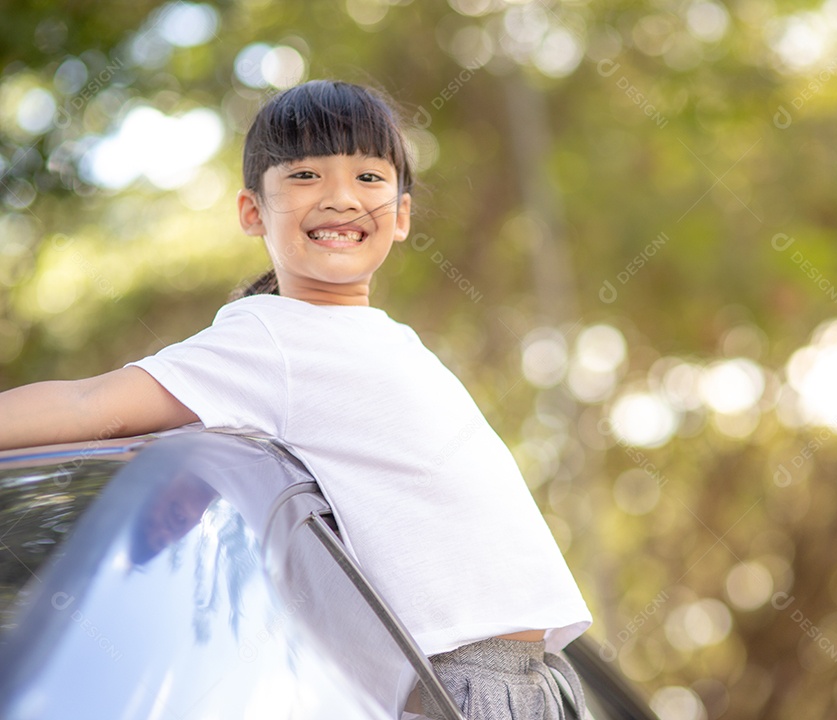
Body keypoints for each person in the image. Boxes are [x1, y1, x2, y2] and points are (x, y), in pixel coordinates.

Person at [0, 79, 592, 720]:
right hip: (464, 686)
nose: (341, 197)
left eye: (369, 177)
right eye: (306, 175)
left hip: (526, 681)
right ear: (253, 211)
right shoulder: (269, 335)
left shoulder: (383, 335)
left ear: (401, 216)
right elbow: (92, 404)